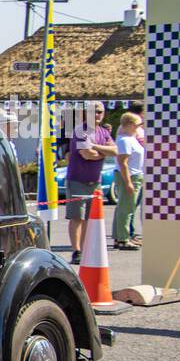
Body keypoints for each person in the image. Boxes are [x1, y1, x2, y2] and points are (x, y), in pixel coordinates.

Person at [64, 101, 118, 264]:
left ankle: (84, 248)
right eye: (94, 111)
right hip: (77, 179)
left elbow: (115, 150)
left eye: (100, 111)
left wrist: (95, 147)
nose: (97, 114)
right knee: (77, 217)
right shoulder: (80, 130)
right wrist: (103, 152)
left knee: (89, 217)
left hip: (95, 181)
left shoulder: (103, 132)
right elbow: (87, 154)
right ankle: (76, 251)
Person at [112, 112, 145, 250]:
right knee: (126, 208)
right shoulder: (124, 140)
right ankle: (123, 238)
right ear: (130, 125)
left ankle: (121, 236)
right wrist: (128, 181)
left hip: (134, 175)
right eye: (137, 125)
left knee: (126, 207)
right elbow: (123, 162)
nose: (139, 127)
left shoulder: (129, 139)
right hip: (130, 175)